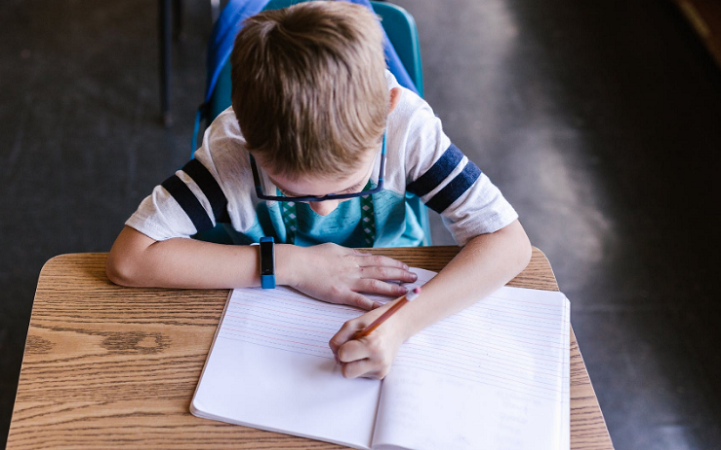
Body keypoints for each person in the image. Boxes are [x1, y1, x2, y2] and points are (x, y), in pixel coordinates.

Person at [107, 1, 531, 380]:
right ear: (248, 138)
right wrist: (292, 265)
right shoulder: (233, 153)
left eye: (349, 186)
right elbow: (129, 260)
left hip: (395, 286)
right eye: (289, 190)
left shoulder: (406, 128)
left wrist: (402, 322)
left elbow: (508, 243)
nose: (324, 213)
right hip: (268, 303)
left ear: (386, 111)